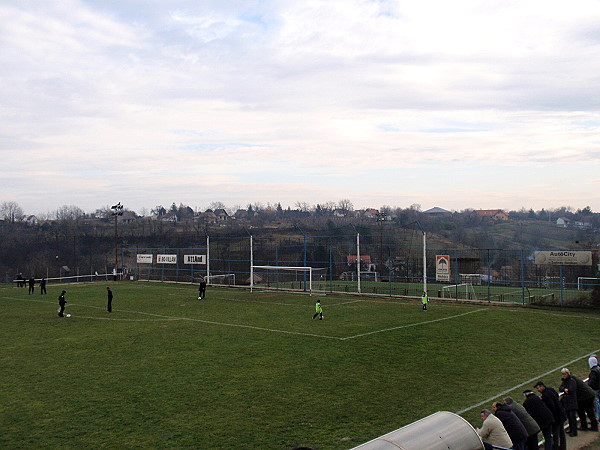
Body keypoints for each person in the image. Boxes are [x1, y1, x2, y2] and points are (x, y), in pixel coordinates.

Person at [534, 381, 567, 450]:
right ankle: (563, 447)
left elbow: (551, 407)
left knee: (555, 434)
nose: (537, 390)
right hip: (561, 414)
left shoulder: (545, 395)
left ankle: (555, 447)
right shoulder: (550, 390)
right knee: (561, 433)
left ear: (542, 386)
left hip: (556, 417)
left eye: (538, 388)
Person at [559, 368, 579, 436]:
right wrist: (565, 389)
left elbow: (571, 390)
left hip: (572, 402)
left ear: (568, 373)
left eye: (564, 374)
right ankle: (571, 429)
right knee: (569, 417)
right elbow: (560, 388)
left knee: (572, 417)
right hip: (567, 402)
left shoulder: (572, 381)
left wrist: (565, 389)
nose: (563, 375)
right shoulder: (565, 381)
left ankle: (574, 431)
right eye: (563, 374)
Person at [588, 355, 600, 421]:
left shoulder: (593, 371)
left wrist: (588, 386)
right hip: (598, 388)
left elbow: (592, 382)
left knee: (596, 403)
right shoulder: (598, 368)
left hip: (595, 389)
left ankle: (597, 417)